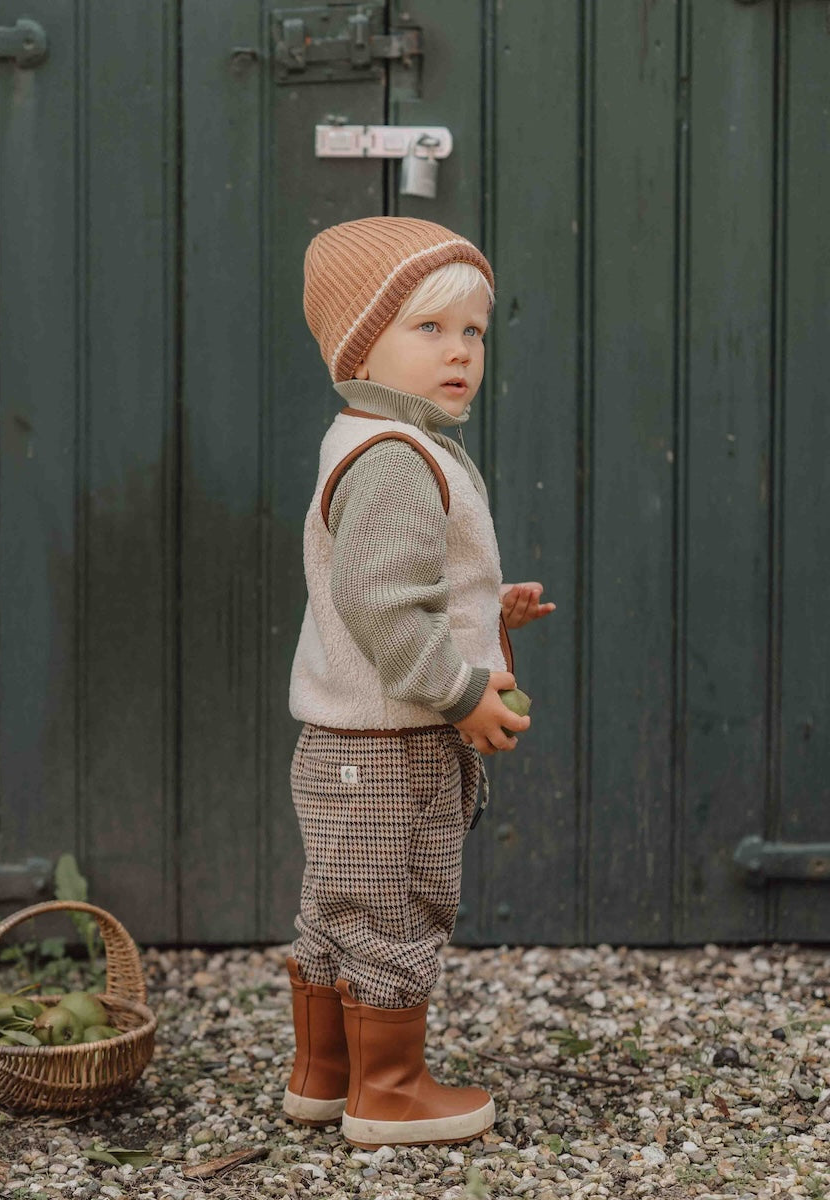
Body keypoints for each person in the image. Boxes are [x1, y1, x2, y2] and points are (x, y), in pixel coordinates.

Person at [281, 216, 555, 1149]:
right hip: (392, 748)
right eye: (429, 330)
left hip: (345, 747)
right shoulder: (398, 458)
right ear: (361, 343)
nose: (461, 353)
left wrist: (488, 616)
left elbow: (402, 586)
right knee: (398, 908)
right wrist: (463, 688)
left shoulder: (373, 437)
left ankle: (324, 1074)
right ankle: (389, 1092)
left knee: (338, 911)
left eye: (473, 332)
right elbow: (384, 605)